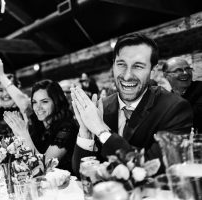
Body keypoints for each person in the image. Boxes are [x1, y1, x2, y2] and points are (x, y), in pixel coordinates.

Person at [71, 33, 193, 175]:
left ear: (152, 71)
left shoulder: (175, 108)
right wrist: (85, 132)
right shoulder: (101, 106)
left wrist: (101, 130)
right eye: (121, 64)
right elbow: (82, 173)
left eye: (138, 66)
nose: (127, 75)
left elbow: (154, 169)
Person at [4, 80, 78, 172]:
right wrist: (18, 134)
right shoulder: (37, 124)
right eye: (34, 102)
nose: (38, 107)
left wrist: (24, 133)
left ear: (56, 102)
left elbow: (44, 166)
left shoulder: (67, 128)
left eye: (44, 101)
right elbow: (26, 159)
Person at [162, 57, 202, 132]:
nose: (185, 73)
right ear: (166, 75)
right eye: (178, 70)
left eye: (187, 69)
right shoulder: (167, 101)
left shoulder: (200, 88)